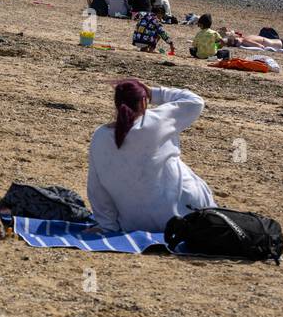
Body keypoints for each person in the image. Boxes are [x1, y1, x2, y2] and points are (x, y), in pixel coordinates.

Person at [86, 79, 216, 233]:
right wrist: (153, 92)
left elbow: (96, 188)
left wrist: (107, 226)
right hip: (186, 215)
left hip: (136, 223)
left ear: (116, 103)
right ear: (143, 101)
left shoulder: (100, 136)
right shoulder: (157, 120)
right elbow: (195, 101)